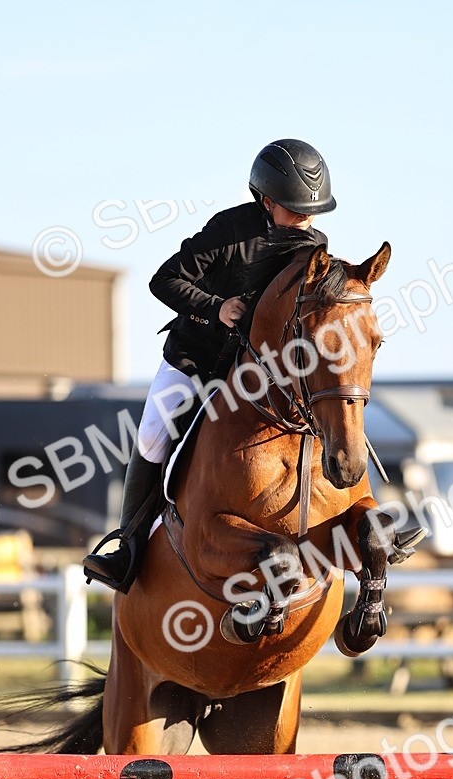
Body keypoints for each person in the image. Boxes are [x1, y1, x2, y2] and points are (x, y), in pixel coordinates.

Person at [83, 138, 336, 593]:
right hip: (195, 356)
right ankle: (127, 549)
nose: (305, 220)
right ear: (266, 200)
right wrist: (215, 307)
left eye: (310, 212)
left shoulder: (313, 246)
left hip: (256, 372)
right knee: (153, 435)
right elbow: (165, 280)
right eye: (296, 210)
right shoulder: (229, 230)